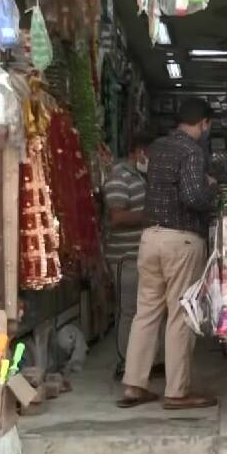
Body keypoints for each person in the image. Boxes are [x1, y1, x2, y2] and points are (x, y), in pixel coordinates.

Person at [117, 98, 219, 410]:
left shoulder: (158, 148)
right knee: (180, 314)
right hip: (181, 241)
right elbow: (191, 196)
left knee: (146, 312)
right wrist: (211, 186)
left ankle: (134, 384)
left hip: (150, 239)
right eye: (207, 127)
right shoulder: (192, 152)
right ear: (203, 123)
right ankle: (177, 392)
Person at [104, 131, 158, 379]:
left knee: (141, 310)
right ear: (139, 151)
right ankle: (126, 362)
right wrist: (152, 216)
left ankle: (140, 362)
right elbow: (116, 217)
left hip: (139, 255)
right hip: (124, 258)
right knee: (128, 311)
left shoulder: (139, 177)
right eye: (150, 154)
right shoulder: (119, 177)